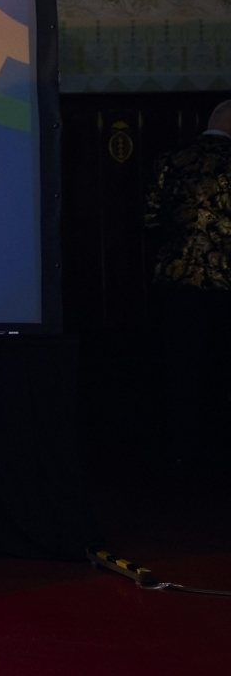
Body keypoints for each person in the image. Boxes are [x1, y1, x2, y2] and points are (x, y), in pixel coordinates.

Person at [144, 99, 231, 478]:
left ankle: (183, 451)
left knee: (181, 369)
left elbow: (149, 217)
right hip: (227, 284)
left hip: (178, 282)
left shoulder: (172, 160)